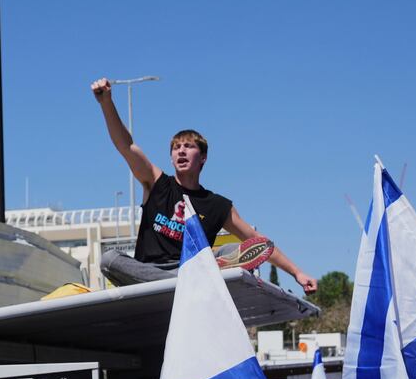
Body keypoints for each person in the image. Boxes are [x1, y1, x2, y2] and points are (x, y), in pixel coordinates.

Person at [90, 77, 317, 292]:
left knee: (230, 251)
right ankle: (190, 279)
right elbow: (125, 146)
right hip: (151, 274)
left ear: (203, 158)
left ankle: (198, 275)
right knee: (109, 259)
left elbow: (258, 243)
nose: (181, 150)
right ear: (171, 158)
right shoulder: (156, 183)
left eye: (188, 146)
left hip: (192, 266)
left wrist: (297, 272)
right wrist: (106, 103)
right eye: (176, 148)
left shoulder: (217, 205)